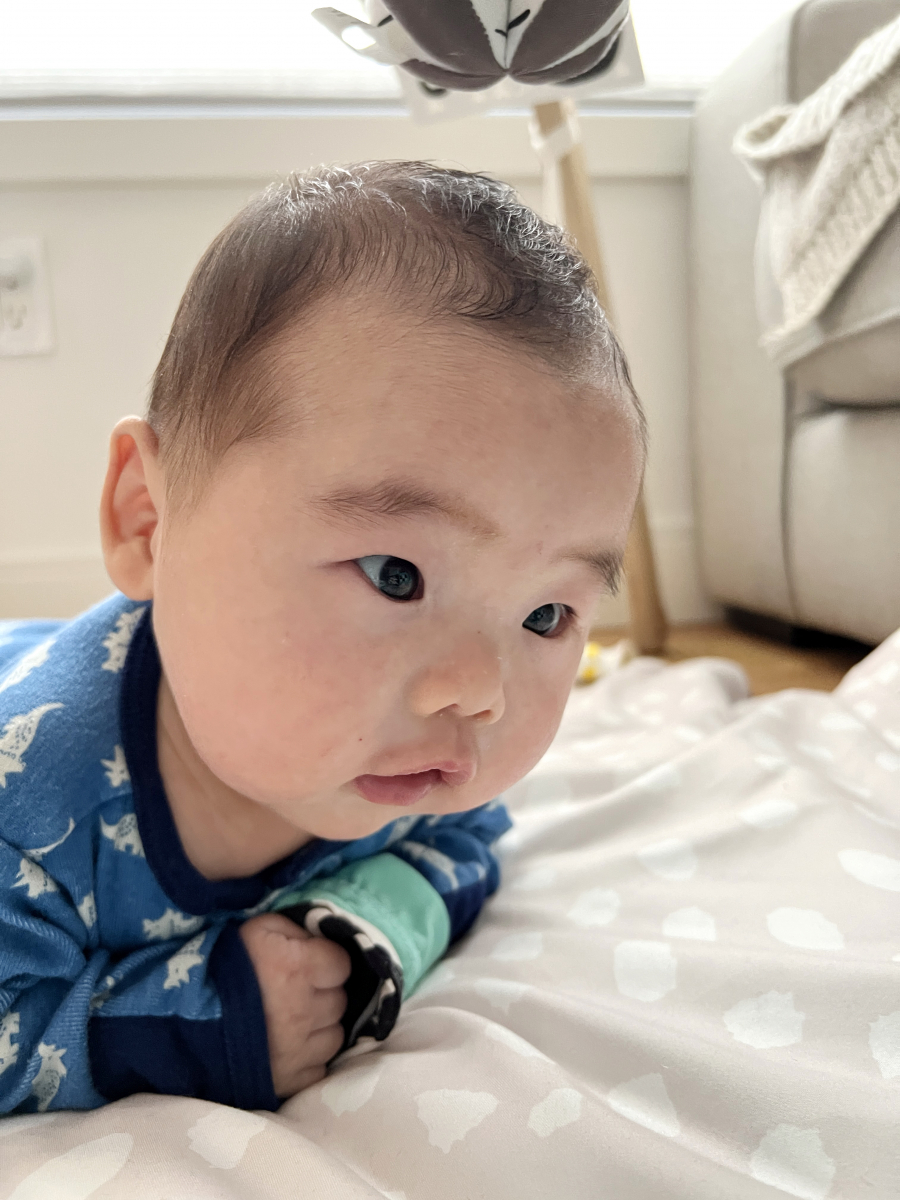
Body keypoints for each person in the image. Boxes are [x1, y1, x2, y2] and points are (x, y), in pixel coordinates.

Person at [0, 161, 644, 1114]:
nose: (480, 690)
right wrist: (204, 1020)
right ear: (149, 521)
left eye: (545, 617)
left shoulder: (415, 767)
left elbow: (466, 846)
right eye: (395, 574)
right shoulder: (25, 817)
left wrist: (349, 927)